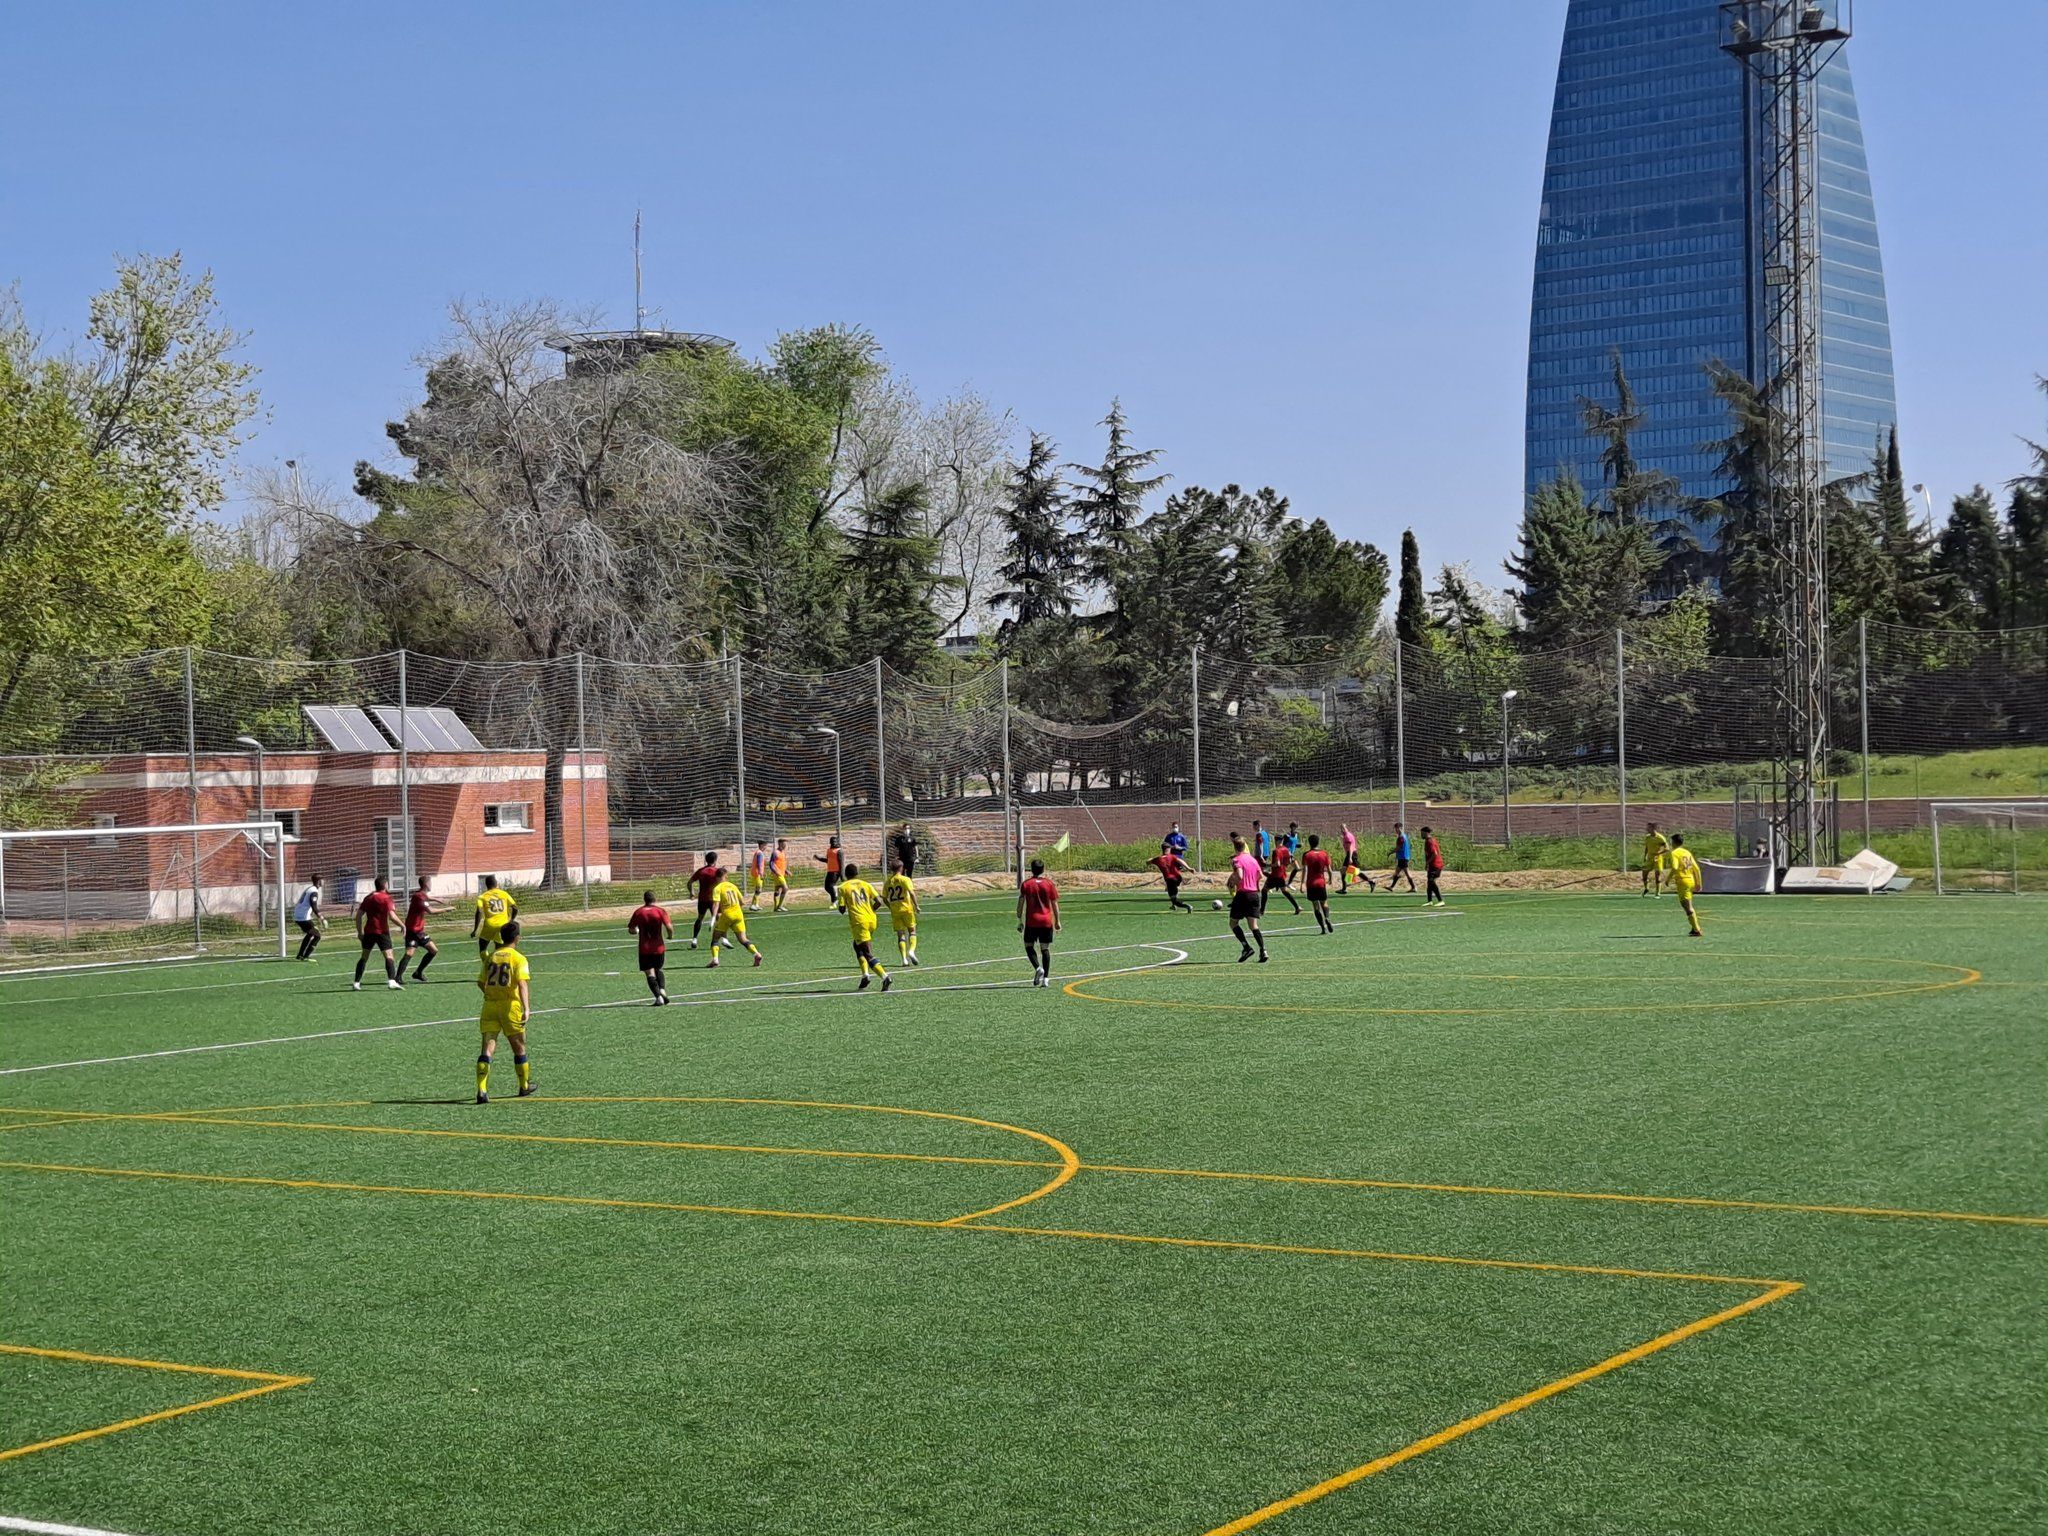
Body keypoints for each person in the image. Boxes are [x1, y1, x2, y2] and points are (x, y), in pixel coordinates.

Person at [474, 919, 534, 1104]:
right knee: (519, 1047)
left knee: (487, 1047)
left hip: (490, 1006)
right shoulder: (518, 958)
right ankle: (523, 1086)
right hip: (510, 1007)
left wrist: (491, 994)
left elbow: (480, 982)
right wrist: (526, 1008)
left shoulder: (492, 956)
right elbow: (522, 983)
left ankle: (482, 1089)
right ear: (518, 938)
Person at [836, 862, 890, 991]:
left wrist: (844, 904)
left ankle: (885, 976)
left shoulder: (843, 887)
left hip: (859, 922)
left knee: (867, 952)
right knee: (857, 945)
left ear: (845, 874)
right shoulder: (866, 884)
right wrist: (870, 910)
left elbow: (842, 909)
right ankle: (865, 975)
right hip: (872, 919)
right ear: (857, 874)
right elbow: (879, 901)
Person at [352, 874, 403, 991]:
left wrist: (359, 932)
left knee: (364, 956)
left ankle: (356, 982)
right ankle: (391, 981)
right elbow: (392, 916)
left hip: (368, 931)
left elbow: (359, 915)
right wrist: (402, 925)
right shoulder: (386, 898)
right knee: (389, 956)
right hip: (382, 931)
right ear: (385, 885)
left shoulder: (368, 898)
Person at [706, 870, 764, 969]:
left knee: (715, 938)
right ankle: (756, 954)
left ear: (717, 878)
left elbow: (716, 904)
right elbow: (742, 902)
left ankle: (715, 959)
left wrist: (713, 918)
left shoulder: (717, 888)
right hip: (738, 914)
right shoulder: (733, 886)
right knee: (743, 939)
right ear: (725, 876)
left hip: (727, 914)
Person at [1017, 858, 1061, 987]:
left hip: (1032, 921)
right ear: (1043, 869)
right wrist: (1057, 921)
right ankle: (1046, 978)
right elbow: (1054, 904)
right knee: (1045, 948)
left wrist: (1019, 919)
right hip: (1046, 921)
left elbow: (1020, 903)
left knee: (1028, 945)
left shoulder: (1026, 884)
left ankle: (1038, 968)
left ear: (1031, 869)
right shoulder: (1049, 884)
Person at [1226, 834, 1268, 963]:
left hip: (1243, 894)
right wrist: (1252, 883)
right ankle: (1263, 950)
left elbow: (1239, 875)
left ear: (1234, 846)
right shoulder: (1252, 860)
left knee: (1233, 923)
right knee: (1253, 925)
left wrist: (1234, 883)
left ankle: (1246, 947)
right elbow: (1260, 875)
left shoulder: (1237, 860)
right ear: (1245, 846)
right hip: (1254, 894)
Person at [627, 889, 673, 1004]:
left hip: (645, 948)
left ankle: (658, 998)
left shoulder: (638, 912)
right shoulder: (660, 911)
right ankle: (662, 990)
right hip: (659, 948)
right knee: (658, 969)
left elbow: (631, 929)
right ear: (655, 899)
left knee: (649, 973)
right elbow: (669, 927)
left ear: (645, 900)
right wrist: (670, 936)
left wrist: (636, 931)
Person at [399, 876, 439, 983]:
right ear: (426, 884)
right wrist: (447, 909)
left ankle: (418, 973)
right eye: (430, 883)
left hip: (419, 931)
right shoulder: (419, 897)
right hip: (413, 930)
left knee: (433, 950)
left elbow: (426, 898)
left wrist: (435, 899)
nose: (431, 885)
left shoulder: (421, 895)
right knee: (409, 953)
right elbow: (430, 911)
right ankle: (398, 977)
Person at [884, 858, 921, 966]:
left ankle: (904, 959)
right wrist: (916, 906)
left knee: (900, 935)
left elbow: (884, 898)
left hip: (895, 911)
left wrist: (890, 907)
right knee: (912, 931)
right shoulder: (905, 879)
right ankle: (911, 951)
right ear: (901, 868)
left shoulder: (887, 882)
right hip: (906, 909)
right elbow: (911, 893)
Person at [1669, 834, 1704, 938]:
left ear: (1673, 842)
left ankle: (1697, 930)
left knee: (1688, 907)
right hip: (1690, 880)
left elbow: (1675, 868)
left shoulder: (1674, 853)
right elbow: (1696, 869)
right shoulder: (1687, 852)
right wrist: (1699, 883)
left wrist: (1667, 879)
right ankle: (1694, 928)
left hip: (1682, 882)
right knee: (1687, 905)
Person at [471, 875, 517, 955]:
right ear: (496, 884)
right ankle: (496, 964)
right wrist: (511, 920)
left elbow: (479, 912)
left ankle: (487, 963)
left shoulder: (482, 897)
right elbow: (515, 907)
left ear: (486, 885)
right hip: (503, 926)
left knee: (483, 949)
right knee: (499, 950)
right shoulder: (504, 894)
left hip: (489, 926)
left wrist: (475, 930)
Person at [1302, 834, 1335, 934]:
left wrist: (1302, 883)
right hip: (1321, 882)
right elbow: (1329, 870)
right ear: (1318, 842)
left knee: (1316, 906)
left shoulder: (1306, 855)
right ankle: (1327, 918)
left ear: (1309, 843)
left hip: (1311, 883)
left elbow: (1305, 869)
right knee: (1324, 903)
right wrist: (1330, 879)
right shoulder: (1324, 854)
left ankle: (1322, 928)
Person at [688, 853, 722, 949]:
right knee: (718, 918)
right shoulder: (717, 872)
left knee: (700, 918)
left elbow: (689, 882)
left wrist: (692, 893)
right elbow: (723, 885)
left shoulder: (701, 871)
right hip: (713, 900)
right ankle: (721, 940)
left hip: (702, 899)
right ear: (715, 860)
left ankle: (694, 939)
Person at [1261, 836, 1302, 916]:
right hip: (1282, 874)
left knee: (1264, 890)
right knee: (1284, 891)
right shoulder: (1286, 850)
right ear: (1282, 840)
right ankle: (1297, 907)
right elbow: (1289, 861)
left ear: (1275, 840)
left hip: (1275, 875)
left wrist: (1267, 865)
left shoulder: (1276, 851)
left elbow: (1277, 864)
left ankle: (1261, 910)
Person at [1149, 845, 1193, 911]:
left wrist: (1151, 859)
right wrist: (1189, 868)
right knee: (1173, 890)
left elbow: (1148, 862)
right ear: (1168, 849)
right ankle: (1173, 905)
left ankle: (1187, 906)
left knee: (1173, 898)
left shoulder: (1158, 859)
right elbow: (1180, 861)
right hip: (1178, 878)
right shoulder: (1172, 856)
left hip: (1170, 880)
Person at [292, 875, 324, 961]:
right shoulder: (313, 891)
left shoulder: (310, 889)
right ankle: (306, 956)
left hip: (299, 915)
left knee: (310, 933)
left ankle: (300, 955)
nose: (324, 882)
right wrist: (321, 917)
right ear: (319, 881)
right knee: (317, 936)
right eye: (322, 880)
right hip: (303, 917)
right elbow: (314, 906)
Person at [1338, 823, 1374, 894]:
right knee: (1350, 871)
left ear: (1346, 828)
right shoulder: (1347, 835)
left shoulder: (1347, 836)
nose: (1342, 830)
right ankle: (1344, 888)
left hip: (1351, 854)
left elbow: (1350, 847)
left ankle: (1344, 888)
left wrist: (1350, 857)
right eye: (1341, 828)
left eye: (1343, 828)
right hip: (1351, 854)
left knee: (1352, 871)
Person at [1641, 821, 1670, 898]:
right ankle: (1646, 888)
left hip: (1658, 858)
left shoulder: (1660, 838)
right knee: (1644, 873)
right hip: (1649, 858)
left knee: (1657, 875)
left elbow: (1667, 848)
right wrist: (1645, 856)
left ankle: (1657, 893)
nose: (1646, 829)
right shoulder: (1647, 837)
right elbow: (1647, 847)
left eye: (1648, 827)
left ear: (1652, 828)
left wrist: (1659, 853)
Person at [1386, 824, 1418, 893]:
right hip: (1403, 857)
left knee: (1407, 873)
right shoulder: (1405, 836)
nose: (1396, 830)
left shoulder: (1401, 837)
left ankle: (1414, 887)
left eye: (1396, 828)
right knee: (1396, 873)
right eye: (1395, 829)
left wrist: (1391, 852)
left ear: (1400, 828)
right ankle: (1391, 887)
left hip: (1403, 857)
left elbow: (1399, 848)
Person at [1422, 826, 1446, 906]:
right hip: (1432, 865)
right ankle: (1430, 901)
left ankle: (1440, 900)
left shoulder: (1430, 841)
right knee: (1429, 882)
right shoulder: (1428, 841)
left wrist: (1427, 862)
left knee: (1431, 881)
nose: (1421, 835)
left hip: (1436, 865)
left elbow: (1434, 854)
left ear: (1426, 833)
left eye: (1422, 833)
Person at [816, 836, 843, 902]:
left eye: (835, 842)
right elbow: (828, 860)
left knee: (830, 886)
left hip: (836, 871)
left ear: (837, 842)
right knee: (827, 887)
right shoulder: (829, 850)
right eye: (832, 842)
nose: (833, 843)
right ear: (830, 842)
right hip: (830, 871)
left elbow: (841, 863)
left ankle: (834, 900)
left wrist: (842, 873)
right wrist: (819, 858)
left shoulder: (839, 851)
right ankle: (834, 897)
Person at [747, 839, 770, 910]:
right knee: (758, 889)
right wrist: (761, 873)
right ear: (762, 845)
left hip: (756, 873)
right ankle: (753, 905)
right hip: (757, 874)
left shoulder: (758, 852)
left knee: (758, 889)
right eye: (765, 845)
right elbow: (759, 864)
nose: (766, 847)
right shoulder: (759, 853)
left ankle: (756, 904)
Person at [770, 838, 791, 913]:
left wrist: (786, 870)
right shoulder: (775, 852)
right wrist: (776, 872)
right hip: (777, 874)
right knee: (785, 888)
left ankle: (776, 908)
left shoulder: (783, 853)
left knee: (777, 890)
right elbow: (771, 864)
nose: (785, 845)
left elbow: (782, 864)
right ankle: (780, 906)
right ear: (780, 844)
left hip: (781, 873)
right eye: (784, 844)